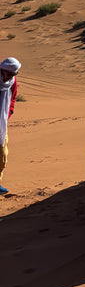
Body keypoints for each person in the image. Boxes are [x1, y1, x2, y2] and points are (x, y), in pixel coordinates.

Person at [0, 56, 21, 195]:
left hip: (1, 125)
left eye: (14, 74)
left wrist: (8, 114)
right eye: (9, 73)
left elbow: (12, 99)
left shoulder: (12, 82)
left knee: (2, 156)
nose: (11, 76)